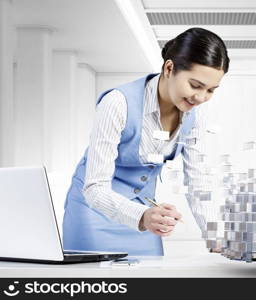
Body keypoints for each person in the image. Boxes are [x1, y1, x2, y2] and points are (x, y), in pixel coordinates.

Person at [62, 27, 229, 256]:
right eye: (195, 85)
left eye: (211, 90)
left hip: (145, 217)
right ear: (169, 68)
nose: (200, 98)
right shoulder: (117, 103)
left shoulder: (195, 116)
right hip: (94, 213)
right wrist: (141, 216)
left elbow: (198, 181)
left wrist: (217, 238)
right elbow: (94, 188)